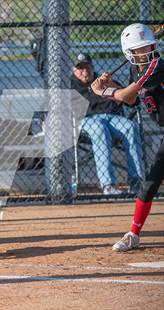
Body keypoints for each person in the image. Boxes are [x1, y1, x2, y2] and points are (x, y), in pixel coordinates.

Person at [91, 23, 163, 251]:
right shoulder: (137, 69)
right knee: (149, 184)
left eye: (148, 45)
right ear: (130, 53)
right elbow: (132, 99)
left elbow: (123, 96)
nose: (147, 49)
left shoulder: (156, 66)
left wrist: (102, 91)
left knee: (150, 181)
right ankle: (133, 234)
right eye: (140, 48)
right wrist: (110, 83)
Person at [71, 53, 144, 195]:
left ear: (93, 68)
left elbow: (133, 101)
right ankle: (108, 185)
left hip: (113, 119)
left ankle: (136, 182)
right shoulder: (70, 85)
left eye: (87, 68)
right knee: (99, 128)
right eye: (81, 68)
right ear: (74, 70)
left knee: (130, 126)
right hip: (87, 122)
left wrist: (111, 85)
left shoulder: (104, 80)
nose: (85, 72)